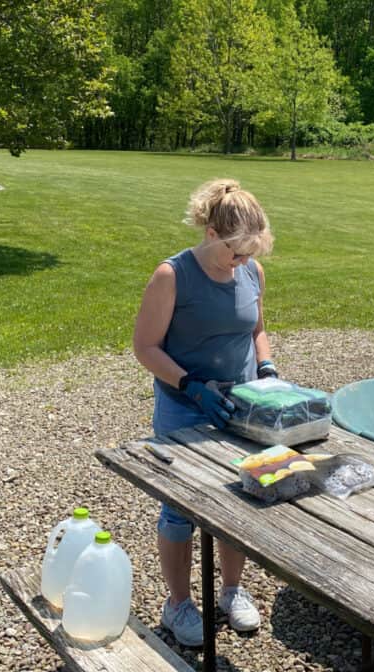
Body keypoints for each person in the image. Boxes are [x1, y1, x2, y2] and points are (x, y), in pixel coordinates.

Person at [132, 178, 277, 647]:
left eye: (248, 254)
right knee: (179, 511)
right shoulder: (172, 276)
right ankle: (177, 603)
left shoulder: (251, 271)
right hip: (184, 408)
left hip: (241, 405)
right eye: (235, 253)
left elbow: (255, 333)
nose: (241, 263)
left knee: (241, 498)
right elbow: (146, 347)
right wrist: (190, 386)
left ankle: (231, 591)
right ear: (211, 233)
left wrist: (269, 370)